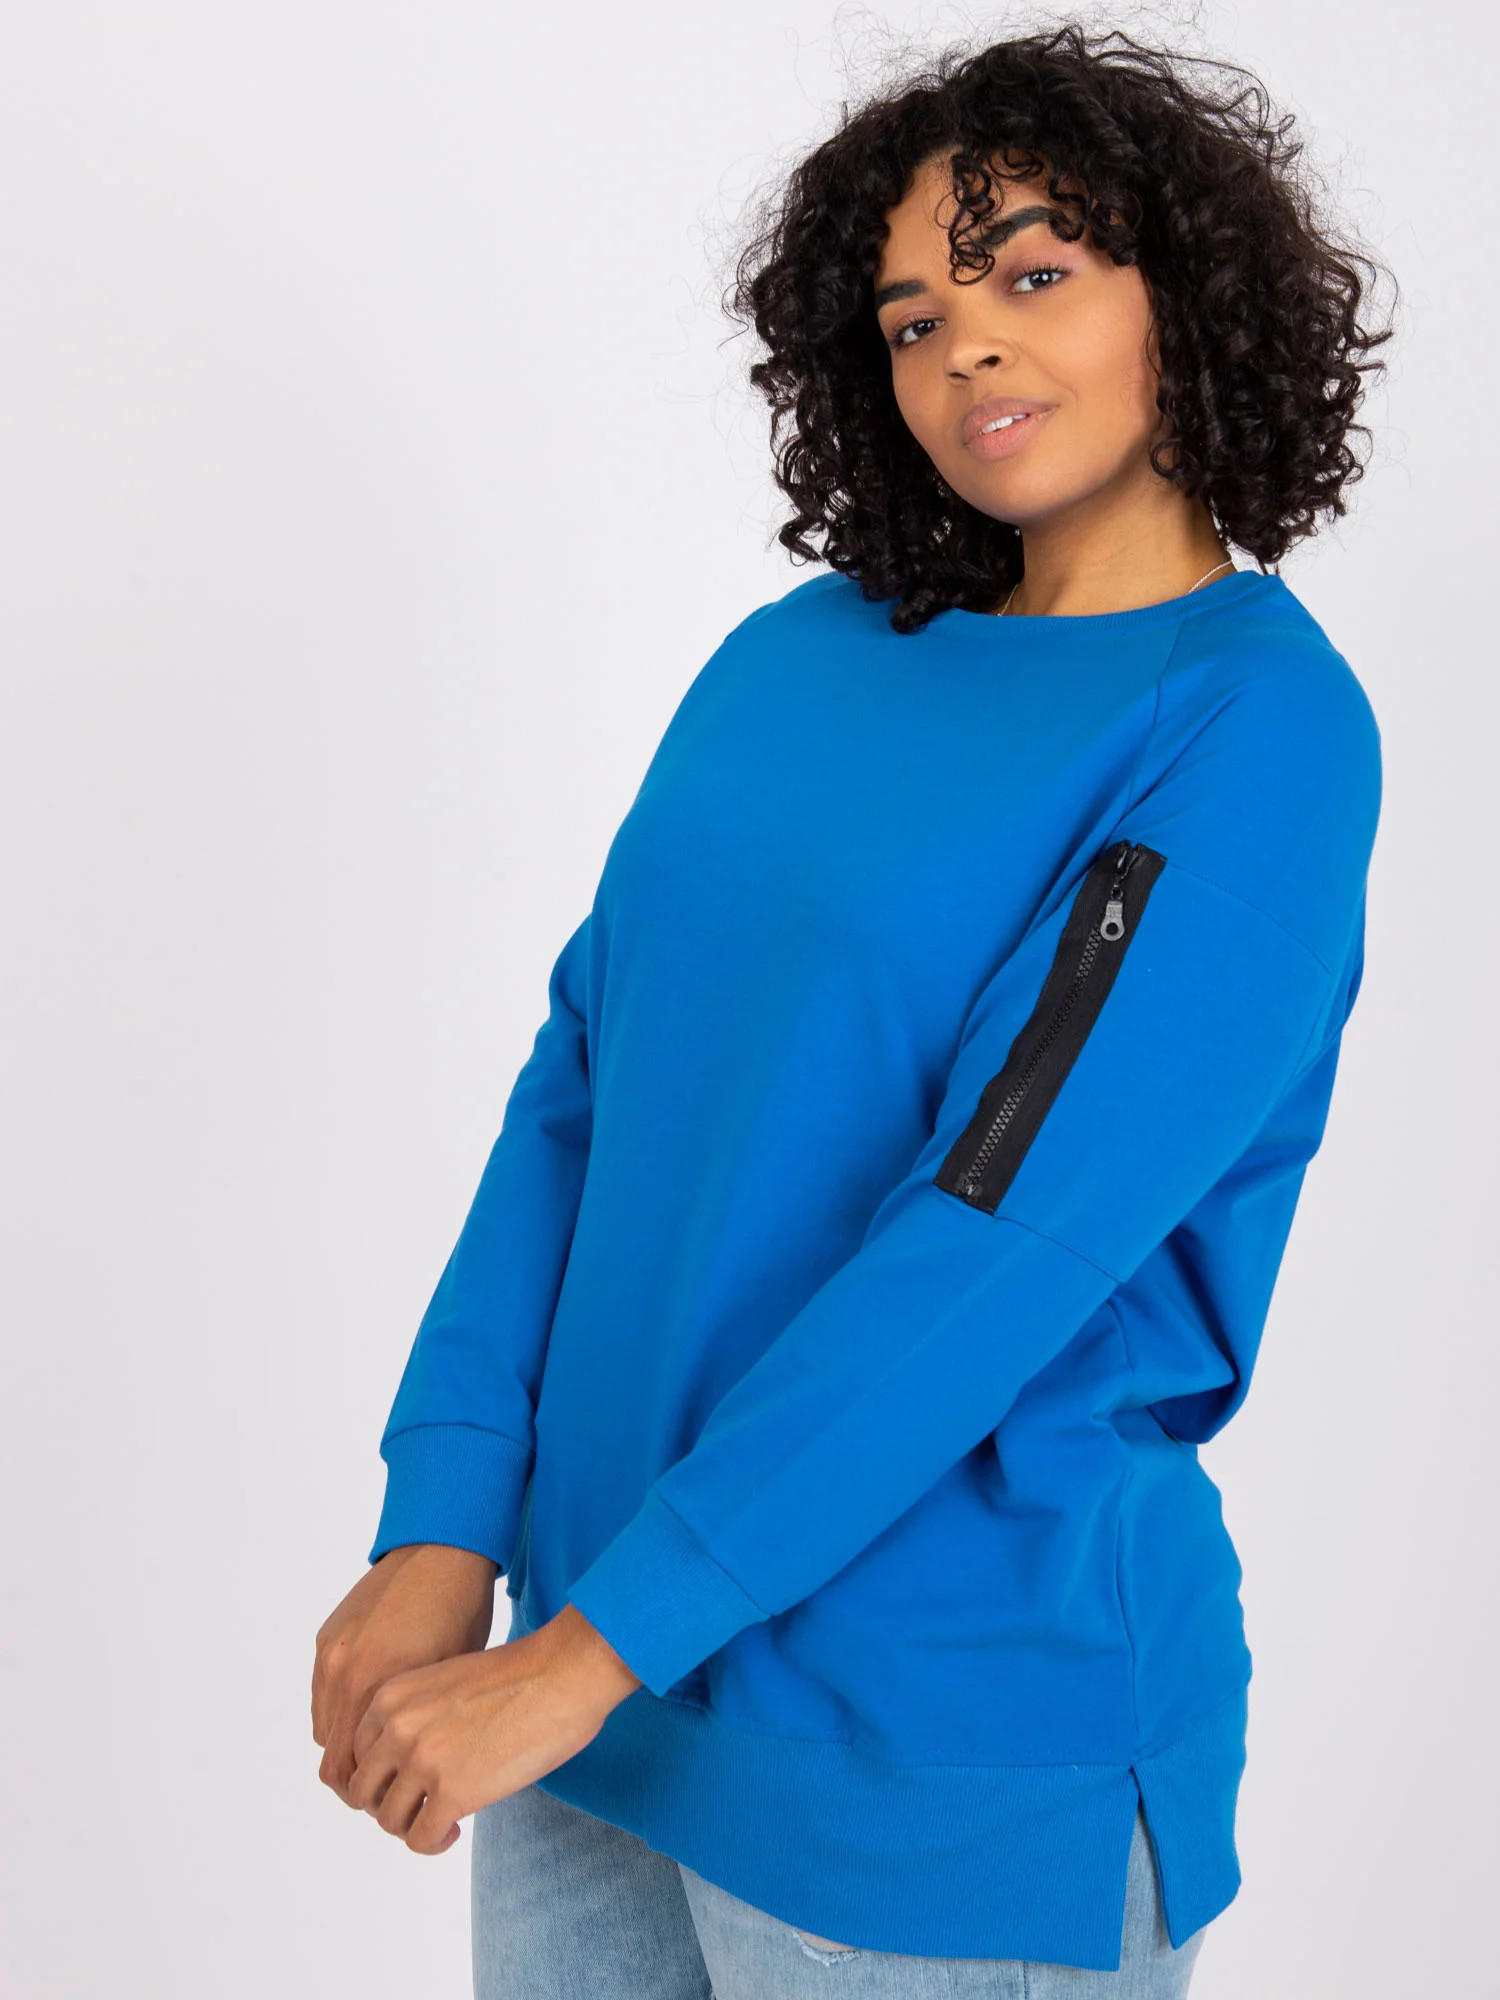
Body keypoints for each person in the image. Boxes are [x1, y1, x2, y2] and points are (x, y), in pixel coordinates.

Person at [311, 22, 1395, 1997]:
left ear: (1187, 293)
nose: (968, 347)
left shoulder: (1254, 730)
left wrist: (584, 1650)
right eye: (913, 318)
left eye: (1033, 275)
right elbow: (582, 1091)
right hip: (593, 1717)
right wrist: (441, 1520)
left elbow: (999, 1240)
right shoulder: (793, 658)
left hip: (933, 1765)